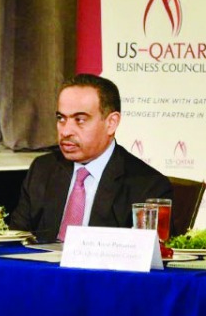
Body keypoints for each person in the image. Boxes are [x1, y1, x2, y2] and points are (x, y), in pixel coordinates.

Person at [10, 73, 172, 242]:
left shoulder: (147, 186)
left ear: (111, 123)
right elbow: (15, 239)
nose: (66, 131)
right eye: (61, 118)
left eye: (80, 120)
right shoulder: (43, 169)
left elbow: (148, 253)